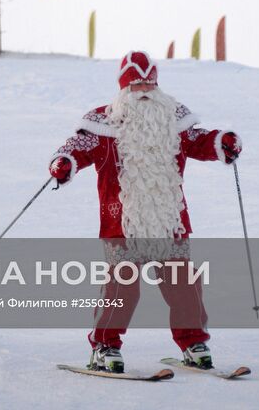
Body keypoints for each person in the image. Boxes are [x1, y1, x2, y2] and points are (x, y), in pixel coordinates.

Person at [49, 49, 242, 373]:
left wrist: (221, 142)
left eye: (148, 86)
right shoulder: (102, 123)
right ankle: (105, 346)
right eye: (136, 87)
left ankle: (194, 342)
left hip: (169, 219)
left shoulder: (174, 119)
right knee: (123, 288)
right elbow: (77, 147)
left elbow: (199, 140)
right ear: (124, 89)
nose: (143, 93)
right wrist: (64, 163)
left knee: (184, 286)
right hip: (121, 221)